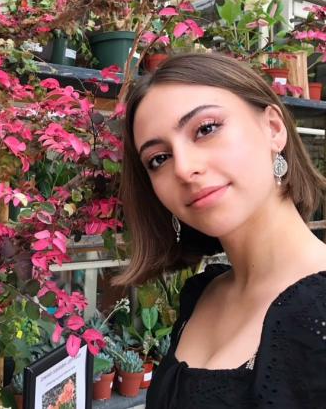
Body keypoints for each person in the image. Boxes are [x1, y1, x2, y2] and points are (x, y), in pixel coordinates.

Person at [116, 53, 326, 408]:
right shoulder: (203, 294)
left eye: (206, 129)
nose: (183, 168)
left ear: (273, 129)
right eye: (159, 159)